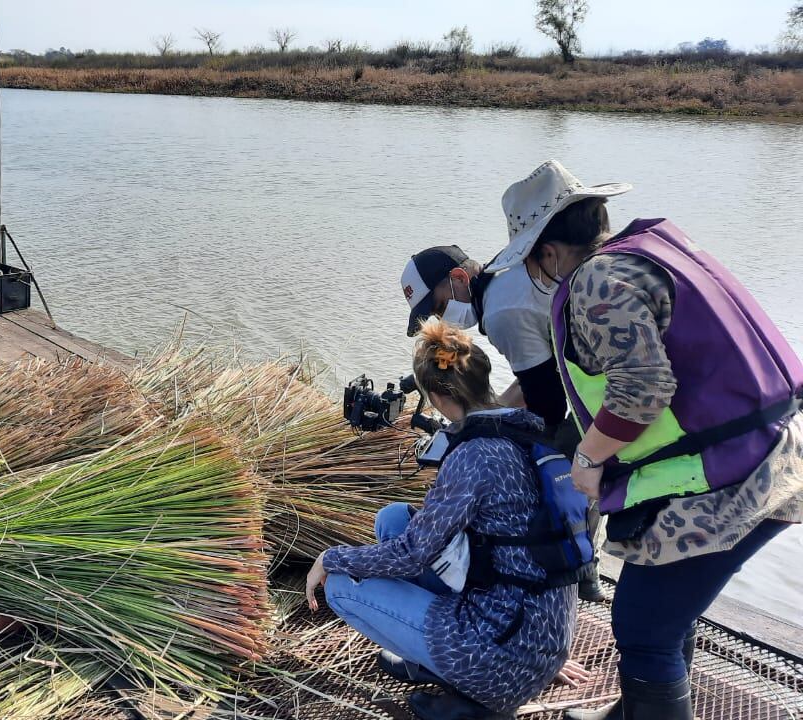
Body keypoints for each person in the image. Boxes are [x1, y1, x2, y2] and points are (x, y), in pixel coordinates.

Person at [491, 160, 803, 720]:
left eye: (537, 262)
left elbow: (642, 388)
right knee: (663, 611)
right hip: (775, 448)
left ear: (549, 251)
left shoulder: (593, 281)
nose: (541, 273)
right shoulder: (653, 252)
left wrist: (587, 459)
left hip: (729, 475)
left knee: (643, 626)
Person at [304, 319, 585, 720]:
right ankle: (436, 659)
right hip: (537, 633)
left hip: (500, 659)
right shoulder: (524, 430)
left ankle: (471, 692)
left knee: (341, 588)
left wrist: (331, 558)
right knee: (394, 520)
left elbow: (411, 556)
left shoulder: (475, 455)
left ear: (435, 394)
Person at [401, 176, 628, 604]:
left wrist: (484, 441)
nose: (440, 320)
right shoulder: (506, 279)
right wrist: (486, 416)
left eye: (434, 306)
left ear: (456, 279)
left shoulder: (503, 309)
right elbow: (538, 376)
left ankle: (570, 573)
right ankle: (583, 568)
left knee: (548, 466)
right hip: (603, 389)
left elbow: (546, 405)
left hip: (605, 400)